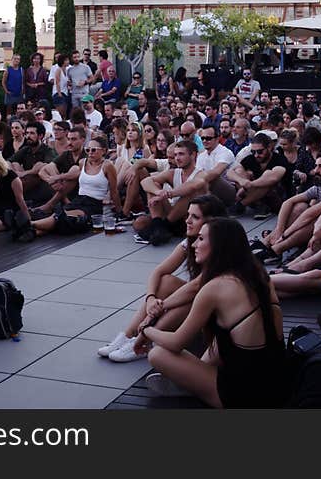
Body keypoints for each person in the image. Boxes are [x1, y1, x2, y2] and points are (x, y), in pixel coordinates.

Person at [141, 218, 286, 407]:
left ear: (219, 246)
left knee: (158, 354)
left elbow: (176, 342)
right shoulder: (259, 276)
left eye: (200, 239)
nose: (193, 244)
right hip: (279, 385)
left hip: (243, 398)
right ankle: (194, 380)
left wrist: (145, 331)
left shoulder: (215, 287)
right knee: (225, 333)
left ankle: (192, 386)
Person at [99, 195, 227, 363]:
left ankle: (145, 340)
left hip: (221, 312)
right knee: (166, 281)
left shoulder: (222, 246)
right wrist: (151, 298)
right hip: (203, 299)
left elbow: (196, 286)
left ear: (212, 222)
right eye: (188, 215)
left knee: (192, 299)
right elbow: (158, 271)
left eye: (195, 217)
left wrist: (160, 307)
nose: (187, 220)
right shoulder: (191, 242)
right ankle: (129, 335)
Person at [252, 150, 321, 264]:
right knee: (299, 206)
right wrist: (279, 231)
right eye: (316, 166)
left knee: (318, 217)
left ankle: (276, 249)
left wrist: (285, 234)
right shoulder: (320, 187)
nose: (315, 171)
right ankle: (267, 242)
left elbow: (310, 214)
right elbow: (288, 202)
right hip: (319, 233)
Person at [136, 140, 207, 239]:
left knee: (192, 193)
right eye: (176, 155)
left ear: (193, 155)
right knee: (139, 223)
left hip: (189, 218)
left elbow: (193, 186)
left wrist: (167, 194)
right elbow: (145, 181)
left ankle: (163, 227)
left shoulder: (201, 174)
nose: (177, 158)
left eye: (181, 154)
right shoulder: (173, 172)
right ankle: (159, 226)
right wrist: (159, 192)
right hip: (172, 214)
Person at [227, 132, 291, 218]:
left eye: (260, 151)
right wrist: (242, 182)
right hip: (255, 197)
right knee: (239, 171)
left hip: (277, 198)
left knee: (267, 176)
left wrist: (249, 185)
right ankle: (260, 205)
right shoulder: (251, 158)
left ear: (269, 147)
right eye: (253, 152)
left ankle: (241, 205)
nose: (256, 155)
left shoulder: (279, 159)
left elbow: (274, 178)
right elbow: (230, 172)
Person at [196, 124, 236, 205]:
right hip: (208, 189)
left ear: (217, 139)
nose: (204, 141)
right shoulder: (201, 156)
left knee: (212, 177)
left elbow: (217, 172)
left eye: (208, 138)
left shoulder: (225, 152)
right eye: (202, 138)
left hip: (229, 190)